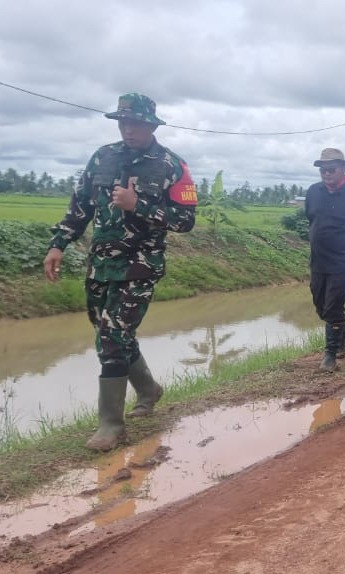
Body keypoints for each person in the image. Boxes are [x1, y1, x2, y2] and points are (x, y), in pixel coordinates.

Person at [42, 93, 197, 451]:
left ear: (151, 125)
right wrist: (58, 244)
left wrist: (137, 205)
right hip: (101, 263)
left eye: (135, 123)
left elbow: (185, 221)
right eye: (122, 122)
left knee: (112, 338)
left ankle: (110, 425)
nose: (128, 129)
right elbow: (80, 207)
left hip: (141, 264)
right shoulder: (103, 157)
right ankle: (148, 389)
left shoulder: (172, 165)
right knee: (109, 331)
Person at [305, 148, 345, 372]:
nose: (326, 173)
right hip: (318, 261)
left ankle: (330, 355)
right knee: (321, 307)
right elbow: (311, 218)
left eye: (331, 169)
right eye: (322, 170)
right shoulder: (313, 192)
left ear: (344, 169)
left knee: (332, 307)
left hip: (344, 261)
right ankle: (343, 334)